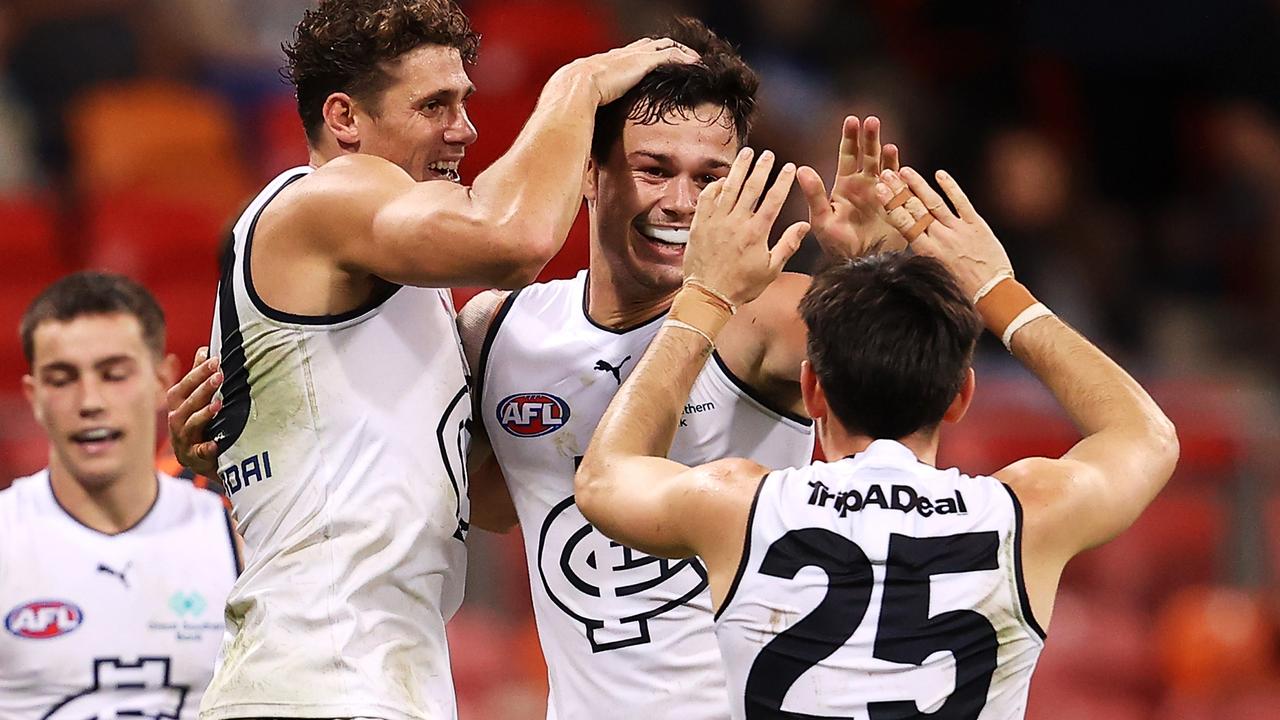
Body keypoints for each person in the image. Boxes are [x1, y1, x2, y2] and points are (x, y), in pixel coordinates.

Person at [168, 18, 903, 719]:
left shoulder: (768, 316)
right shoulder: (500, 330)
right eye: (653, 169)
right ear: (587, 172)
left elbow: (910, 395)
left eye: (711, 178)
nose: (682, 203)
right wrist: (241, 433)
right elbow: (474, 496)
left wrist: (869, 271)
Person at [160, 1, 697, 718]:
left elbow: (489, 498)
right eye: (434, 104)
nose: (464, 128)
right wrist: (578, 85)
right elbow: (513, 239)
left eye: (465, 101)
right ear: (345, 120)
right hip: (325, 681)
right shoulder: (327, 195)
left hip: (352, 679)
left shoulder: (400, 284)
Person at [573, 165, 1179, 718]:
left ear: (812, 389)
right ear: (961, 396)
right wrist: (997, 291)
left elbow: (604, 476)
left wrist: (705, 298)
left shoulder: (738, 504)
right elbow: (1145, 435)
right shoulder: (1024, 514)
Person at [0, 272, 238, 720]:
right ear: (33, 396)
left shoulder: (236, 538)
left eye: (114, 375)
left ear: (161, 380)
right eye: (61, 378)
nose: (90, 400)